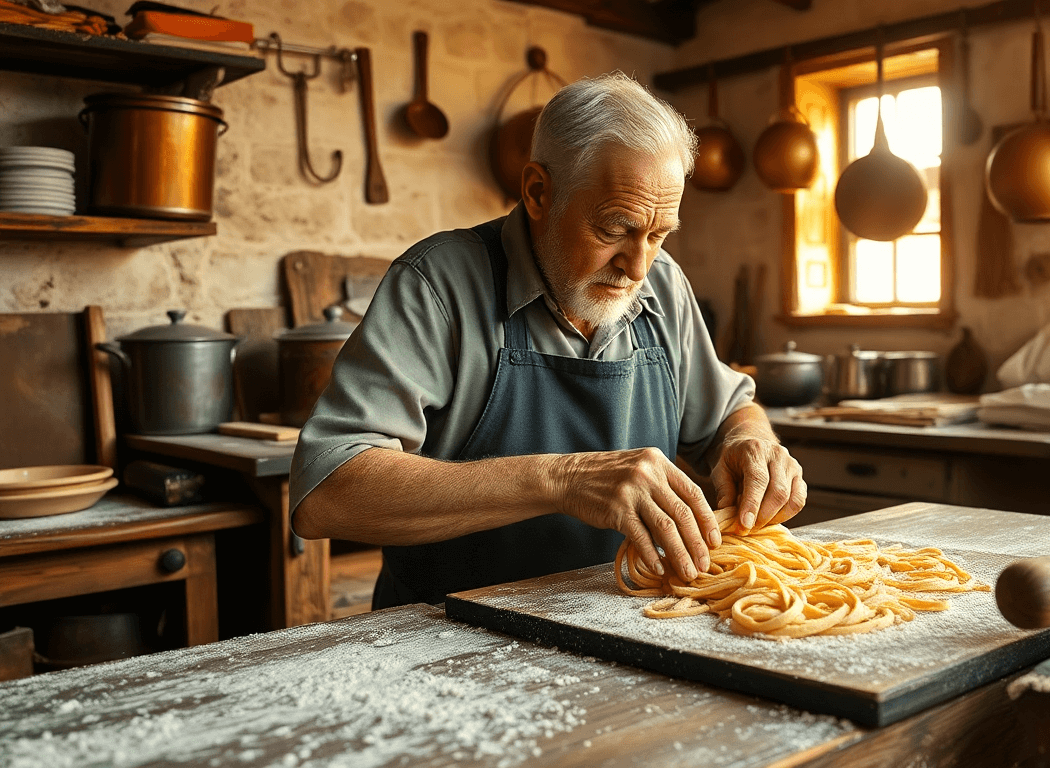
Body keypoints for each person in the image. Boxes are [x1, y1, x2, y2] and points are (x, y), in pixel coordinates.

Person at [289, 72, 806, 609]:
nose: (637, 266)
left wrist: (750, 442)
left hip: (625, 621)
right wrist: (562, 478)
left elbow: (730, 411)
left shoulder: (662, 283)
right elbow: (327, 489)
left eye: (658, 234)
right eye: (614, 229)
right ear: (538, 192)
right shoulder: (439, 284)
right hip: (444, 637)